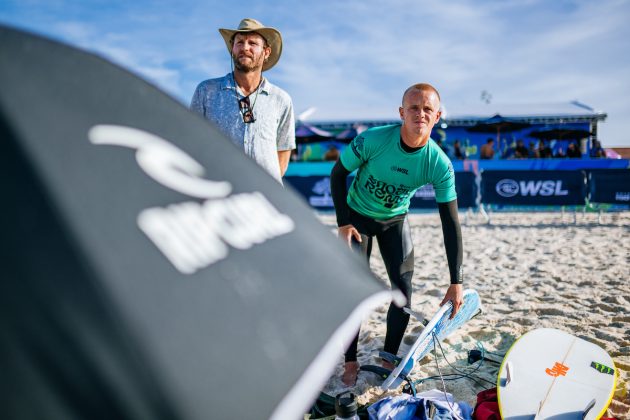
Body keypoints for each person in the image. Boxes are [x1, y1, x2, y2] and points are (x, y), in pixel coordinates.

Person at [330, 83, 464, 386]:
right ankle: (350, 360)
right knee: (353, 292)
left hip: (394, 222)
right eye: (414, 108)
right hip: (356, 218)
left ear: (438, 116)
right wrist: (342, 223)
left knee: (403, 291)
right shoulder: (373, 140)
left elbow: (451, 223)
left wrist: (456, 282)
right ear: (401, 112)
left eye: (428, 109)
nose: (420, 113)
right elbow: (338, 174)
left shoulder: (439, 163)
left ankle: (388, 355)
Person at [190, 18, 295, 184]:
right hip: (220, 195)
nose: (245, 47)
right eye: (239, 42)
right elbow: (192, 142)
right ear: (232, 49)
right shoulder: (206, 91)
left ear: (266, 52)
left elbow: (283, 153)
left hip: (265, 199)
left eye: (253, 43)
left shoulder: (281, 100)